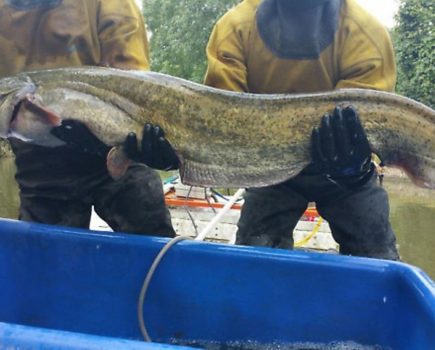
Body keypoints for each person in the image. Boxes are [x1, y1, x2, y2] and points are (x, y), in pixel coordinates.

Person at [203, 0, 400, 260]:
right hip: (270, 170)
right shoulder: (236, 29)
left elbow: (371, 121)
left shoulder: (365, 34)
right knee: (254, 257)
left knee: (376, 255)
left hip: (346, 172)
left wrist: (353, 163)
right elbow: (221, 119)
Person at [0, 0, 177, 237]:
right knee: (45, 259)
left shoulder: (111, 4)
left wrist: (162, 149)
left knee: (153, 246)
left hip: (122, 150)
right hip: (40, 162)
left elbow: (136, 89)